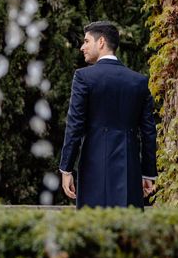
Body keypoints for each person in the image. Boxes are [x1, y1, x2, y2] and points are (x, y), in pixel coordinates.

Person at [59, 21, 157, 209]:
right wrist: (148, 173)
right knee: (127, 231)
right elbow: (148, 132)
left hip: (93, 169)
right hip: (129, 171)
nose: (82, 47)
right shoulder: (139, 81)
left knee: (95, 229)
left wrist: (66, 168)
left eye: (86, 41)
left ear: (101, 42)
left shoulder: (83, 77)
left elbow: (75, 126)